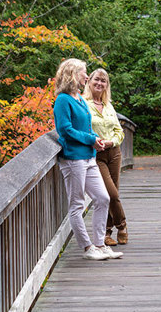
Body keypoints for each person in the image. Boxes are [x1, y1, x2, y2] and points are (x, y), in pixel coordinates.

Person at [53, 58, 123, 261]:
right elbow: (65, 129)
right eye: (84, 73)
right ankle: (87, 247)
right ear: (72, 74)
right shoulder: (63, 100)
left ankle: (100, 244)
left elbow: (86, 127)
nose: (86, 76)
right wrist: (90, 140)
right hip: (73, 158)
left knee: (103, 198)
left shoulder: (80, 99)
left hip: (89, 157)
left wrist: (96, 140)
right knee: (77, 205)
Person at [83, 68, 128, 246]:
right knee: (110, 194)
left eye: (104, 81)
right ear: (89, 81)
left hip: (114, 153)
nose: (100, 83)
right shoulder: (83, 104)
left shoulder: (108, 105)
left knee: (113, 193)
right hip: (97, 154)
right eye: (97, 80)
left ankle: (106, 233)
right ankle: (122, 225)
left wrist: (112, 142)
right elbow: (84, 128)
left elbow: (120, 131)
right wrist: (97, 141)